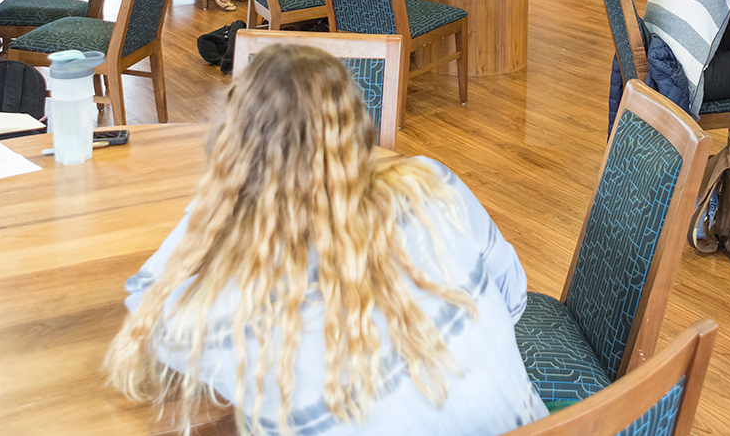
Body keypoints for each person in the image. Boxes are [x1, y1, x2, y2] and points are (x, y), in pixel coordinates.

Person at [105, 45, 546, 436]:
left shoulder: (229, 313)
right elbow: (513, 296)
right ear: (357, 125)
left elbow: (146, 300)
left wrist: (220, 200)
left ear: (234, 155)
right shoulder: (433, 185)